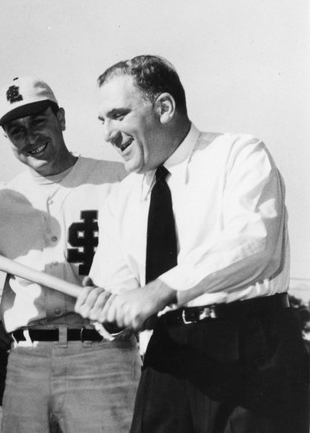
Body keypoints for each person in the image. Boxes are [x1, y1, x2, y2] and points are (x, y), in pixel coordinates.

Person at [75, 55, 309, 433]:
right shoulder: (121, 198)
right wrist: (106, 311)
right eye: (102, 120)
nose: (107, 133)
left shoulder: (239, 154)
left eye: (118, 115)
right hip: (167, 354)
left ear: (164, 107)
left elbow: (254, 242)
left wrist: (162, 290)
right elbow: (121, 293)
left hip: (249, 342)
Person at [0, 76, 140, 432]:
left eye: (38, 121)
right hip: (28, 359)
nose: (30, 137)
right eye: (15, 130)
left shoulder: (119, 180)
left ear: (62, 119)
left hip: (103, 353)